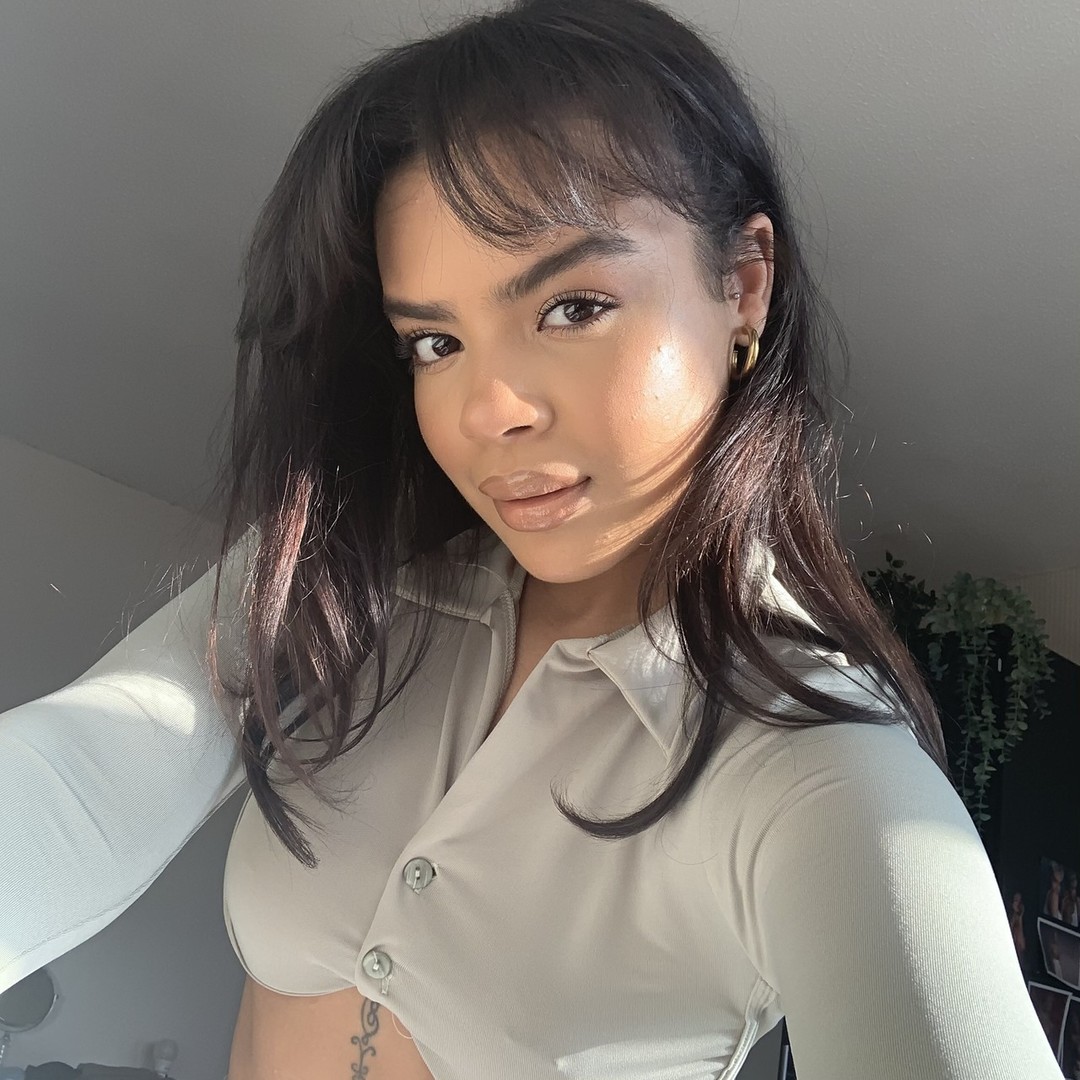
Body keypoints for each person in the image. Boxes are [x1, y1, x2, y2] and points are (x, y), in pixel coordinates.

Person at [0, 0, 1063, 1077]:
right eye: (435, 342)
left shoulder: (810, 761)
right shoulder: (342, 577)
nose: (486, 411)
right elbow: (89, 772)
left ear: (743, 286)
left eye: (572, 307)